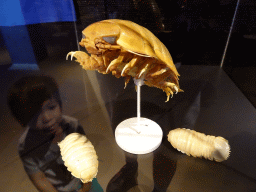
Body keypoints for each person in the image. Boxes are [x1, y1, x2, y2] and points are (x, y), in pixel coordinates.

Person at [7, 74, 103, 192]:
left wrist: (86, 187)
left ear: (60, 104)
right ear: (23, 119)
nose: (47, 118)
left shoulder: (72, 126)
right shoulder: (26, 146)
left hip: (84, 182)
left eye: (51, 107)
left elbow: (86, 158)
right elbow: (39, 179)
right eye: (35, 114)